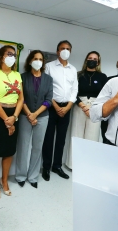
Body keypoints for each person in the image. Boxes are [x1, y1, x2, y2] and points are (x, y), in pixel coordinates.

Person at [0, 45, 23, 199]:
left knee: (9, 151)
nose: (12, 57)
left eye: (14, 55)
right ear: (1, 56)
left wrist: (14, 117)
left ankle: (4, 180)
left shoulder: (17, 74)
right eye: (9, 54)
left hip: (14, 114)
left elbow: (21, 99)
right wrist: (6, 120)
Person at [15, 50, 53, 188]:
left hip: (42, 117)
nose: (38, 61)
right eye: (35, 58)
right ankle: (20, 176)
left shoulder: (48, 79)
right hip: (25, 116)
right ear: (30, 60)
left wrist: (35, 114)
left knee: (37, 147)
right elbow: (20, 98)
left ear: (43, 62)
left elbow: (49, 100)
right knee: (23, 146)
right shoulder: (22, 77)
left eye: (40, 59)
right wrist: (29, 114)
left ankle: (33, 176)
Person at [42, 40, 78, 181]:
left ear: (70, 51)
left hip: (67, 108)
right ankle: (46, 167)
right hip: (52, 108)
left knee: (61, 140)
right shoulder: (49, 67)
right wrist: (56, 107)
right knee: (48, 139)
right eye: (62, 48)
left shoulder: (73, 69)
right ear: (57, 51)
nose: (65, 50)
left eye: (68, 48)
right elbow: (47, 89)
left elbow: (74, 89)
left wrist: (68, 106)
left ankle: (57, 166)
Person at [65, 51, 107, 169]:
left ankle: (88, 165)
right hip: (79, 106)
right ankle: (72, 164)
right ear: (86, 60)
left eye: (95, 59)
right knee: (76, 134)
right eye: (90, 58)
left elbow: (104, 95)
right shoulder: (78, 75)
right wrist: (83, 106)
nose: (92, 60)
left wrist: (92, 108)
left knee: (92, 137)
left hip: (95, 107)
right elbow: (73, 92)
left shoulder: (102, 77)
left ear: (98, 61)